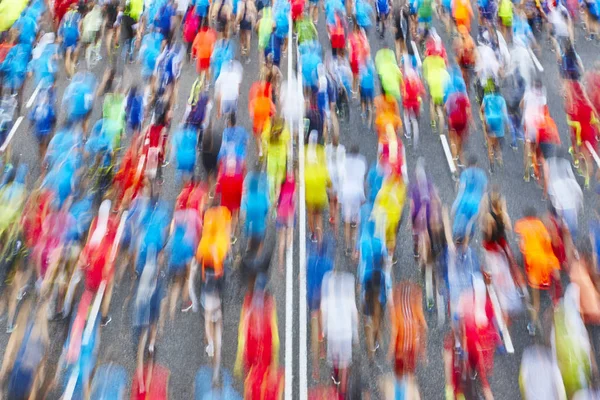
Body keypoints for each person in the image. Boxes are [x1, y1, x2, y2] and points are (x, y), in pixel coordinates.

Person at [514, 207, 561, 335]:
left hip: (533, 266)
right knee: (542, 295)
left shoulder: (522, 225)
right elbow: (548, 242)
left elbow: (523, 247)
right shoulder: (540, 225)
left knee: (535, 301)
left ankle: (532, 325)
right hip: (544, 265)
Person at [321, 271, 358, 396]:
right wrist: (355, 335)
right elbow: (353, 310)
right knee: (345, 364)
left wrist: (323, 331)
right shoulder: (349, 283)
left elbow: (324, 308)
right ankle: (342, 393)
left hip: (332, 331)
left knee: (335, 358)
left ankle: (335, 377)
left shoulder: (327, 282)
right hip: (346, 332)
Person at [481, 85, 509, 171]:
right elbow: (505, 113)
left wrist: (485, 115)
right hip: (499, 121)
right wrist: (507, 125)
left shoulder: (487, 97)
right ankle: (499, 158)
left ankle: (491, 166)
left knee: (490, 144)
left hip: (489, 120)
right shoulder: (501, 99)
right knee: (497, 143)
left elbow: (482, 108)